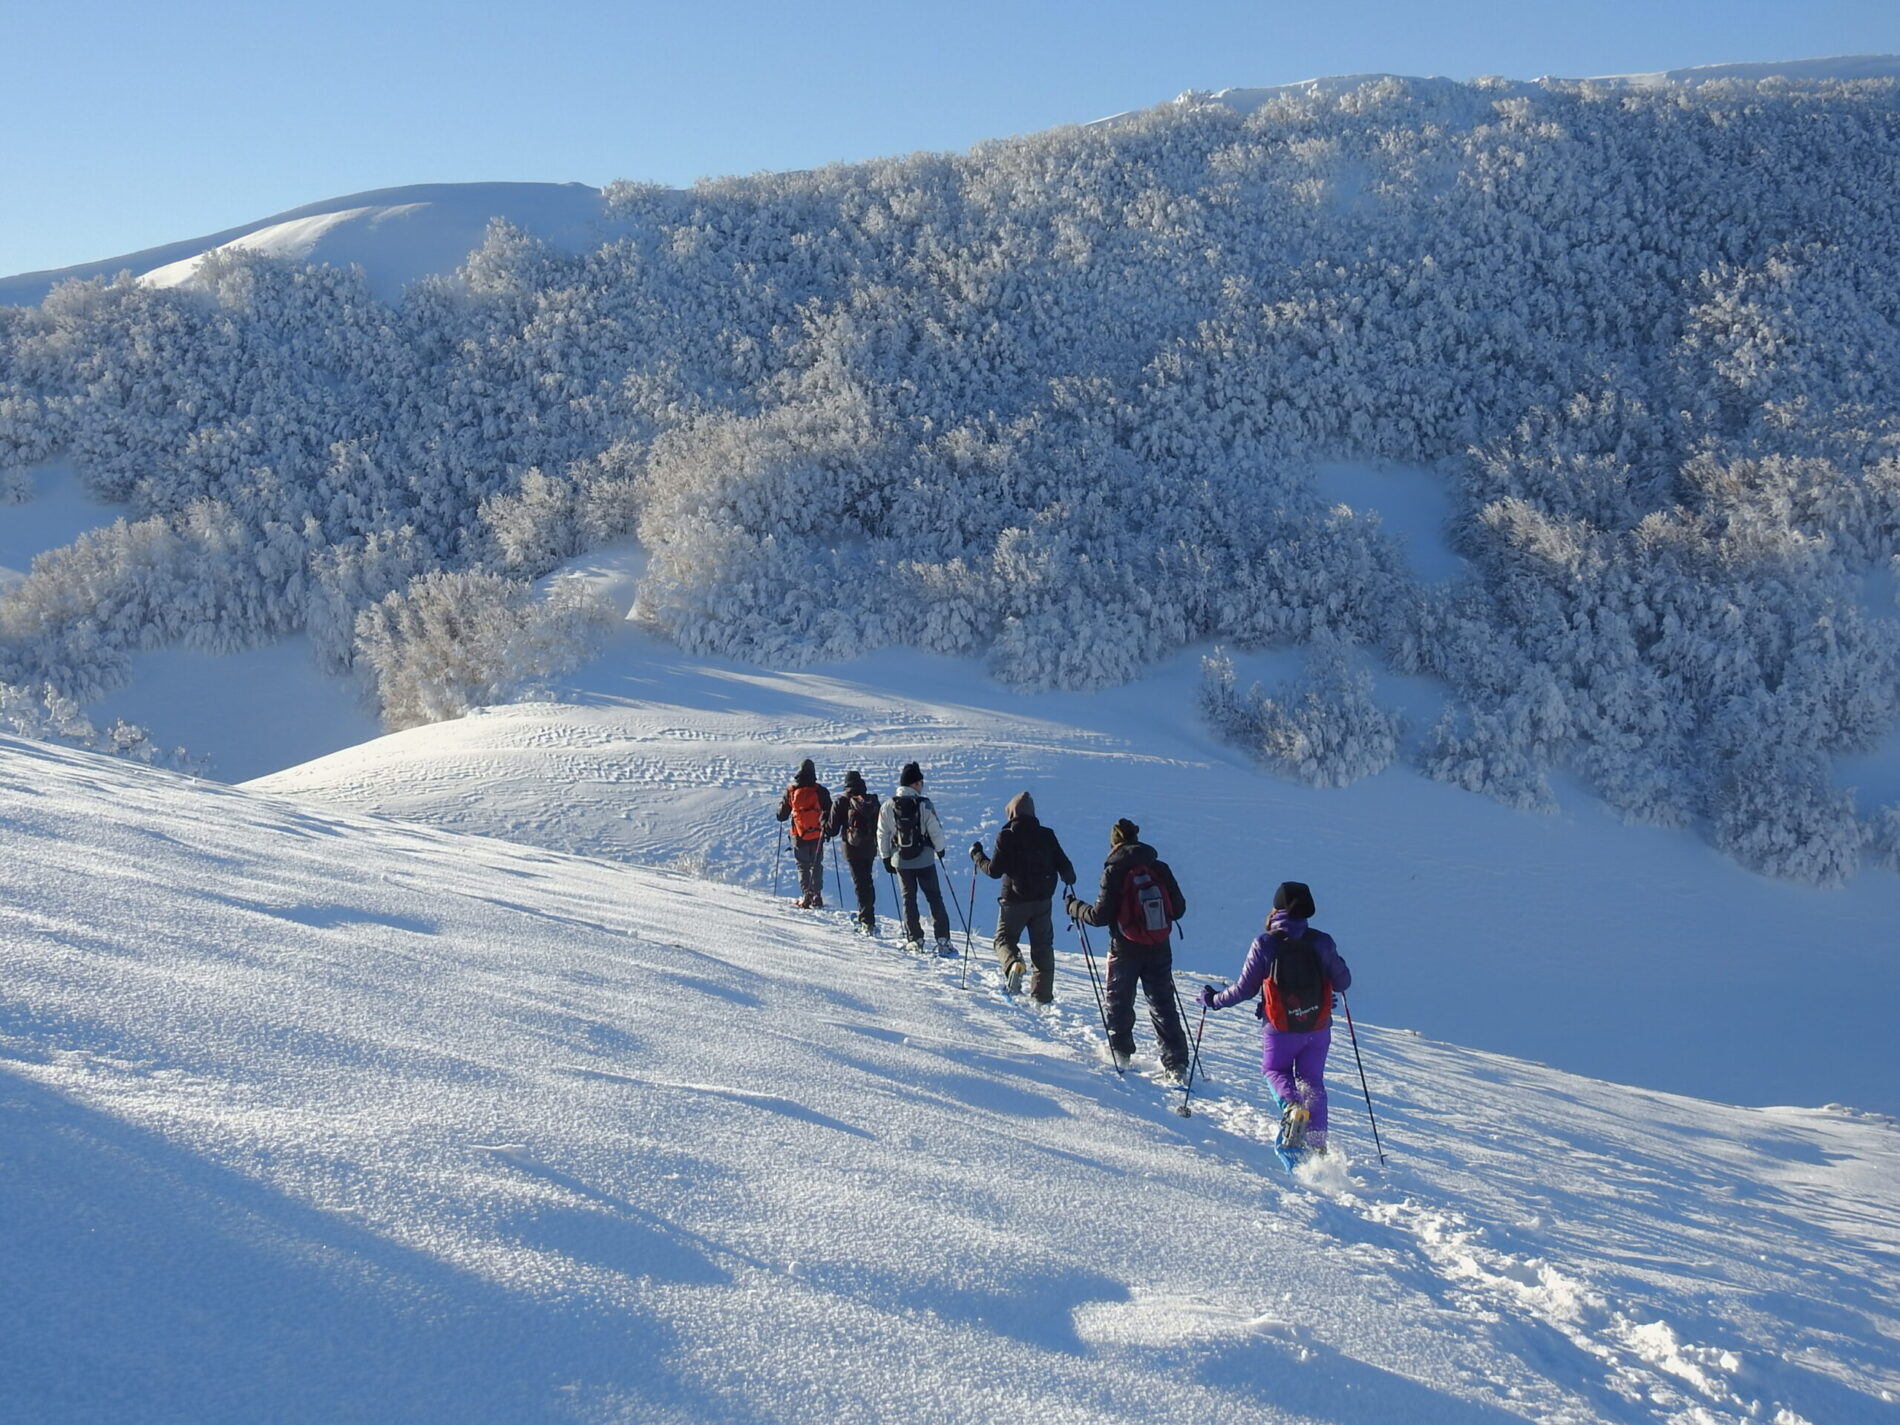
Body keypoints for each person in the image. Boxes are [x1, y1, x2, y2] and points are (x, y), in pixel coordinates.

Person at [1199, 880, 1352, 1160]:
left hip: (1280, 1027)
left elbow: (1244, 989)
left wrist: (1213, 1001)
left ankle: (1293, 1108)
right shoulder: (1322, 941)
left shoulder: (1266, 943)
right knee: (1313, 1081)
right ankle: (1317, 1144)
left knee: (1275, 1070)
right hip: (1317, 1027)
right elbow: (1343, 982)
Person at [1064, 818, 1191, 1077]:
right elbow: (1178, 909)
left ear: (1114, 842)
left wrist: (1074, 907)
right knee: (1163, 1003)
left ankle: (1120, 1054)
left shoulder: (1114, 871)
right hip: (1159, 946)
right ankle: (1176, 1063)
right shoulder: (1159, 867)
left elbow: (1099, 917)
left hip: (1124, 949)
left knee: (1119, 1002)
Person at [970, 790, 1074, 1002]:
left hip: (1014, 900)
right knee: (1043, 946)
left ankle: (1013, 964)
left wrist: (977, 855)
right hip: (1043, 900)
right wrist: (1067, 880)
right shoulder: (1047, 834)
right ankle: (1042, 995)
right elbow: (1067, 869)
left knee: (1004, 939)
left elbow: (994, 871)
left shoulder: (1007, 835)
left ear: (1012, 813)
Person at [876, 761, 953, 955]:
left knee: (908, 899)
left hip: (900, 860)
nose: (922, 785)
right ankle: (943, 940)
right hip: (925, 859)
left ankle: (915, 939)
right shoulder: (924, 804)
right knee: (934, 898)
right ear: (914, 784)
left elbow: (882, 834)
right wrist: (940, 849)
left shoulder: (888, 805)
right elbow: (935, 829)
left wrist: (886, 857)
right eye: (920, 782)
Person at [825, 769, 882, 935]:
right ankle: (868, 917)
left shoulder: (842, 801)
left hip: (852, 848)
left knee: (860, 882)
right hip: (870, 846)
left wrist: (824, 819)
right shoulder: (872, 801)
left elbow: (832, 829)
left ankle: (866, 921)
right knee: (867, 879)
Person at [774, 759, 832, 909]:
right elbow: (830, 812)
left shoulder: (791, 791)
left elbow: (781, 815)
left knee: (802, 866)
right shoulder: (820, 790)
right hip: (817, 836)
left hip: (798, 836)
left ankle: (807, 894)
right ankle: (817, 895)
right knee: (816, 865)